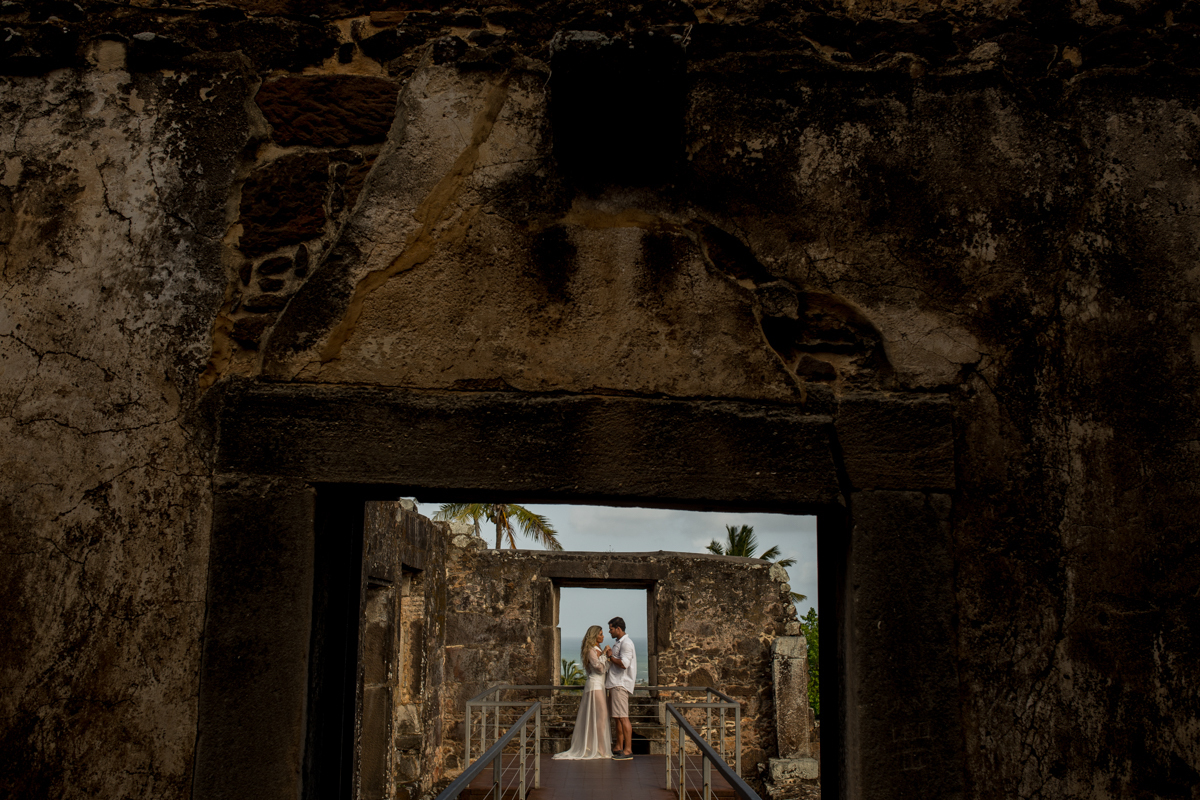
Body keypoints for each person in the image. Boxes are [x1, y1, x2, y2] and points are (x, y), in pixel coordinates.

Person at [553, 625, 612, 760]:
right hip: (595, 685)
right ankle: (599, 748)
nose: (603, 636)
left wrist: (605, 656)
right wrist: (604, 656)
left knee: (598, 718)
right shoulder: (592, 650)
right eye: (601, 634)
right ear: (595, 636)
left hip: (599, 686)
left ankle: (596, 747)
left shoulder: (597, 649)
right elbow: (599, 669)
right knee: (601, 716)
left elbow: (603, 667)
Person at [604, 616, 636, 761]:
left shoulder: (626, 643)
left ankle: (628, 750)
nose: (609, 632)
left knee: (623, 717)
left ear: (618, 628)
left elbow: (624, 664)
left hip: (620, 684)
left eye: (611, 629)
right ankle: (618, 746)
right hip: (614, 683)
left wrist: (610, 657)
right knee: (617, 718)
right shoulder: (619, 643)